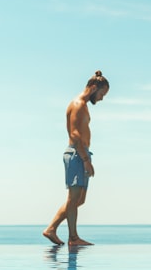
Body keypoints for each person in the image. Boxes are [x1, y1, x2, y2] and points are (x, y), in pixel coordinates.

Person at [43, 70, 109, 246]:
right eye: (102, 94)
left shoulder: (83, 105)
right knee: (73, 199)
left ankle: (52, 229)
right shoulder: (78, 104)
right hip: (76, 154)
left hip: (83, 153)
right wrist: (85, 160)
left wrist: (87, 157)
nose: (102, 98)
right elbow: (74, 134)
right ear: (94, 88)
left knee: (80, 200)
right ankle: (73, 238)